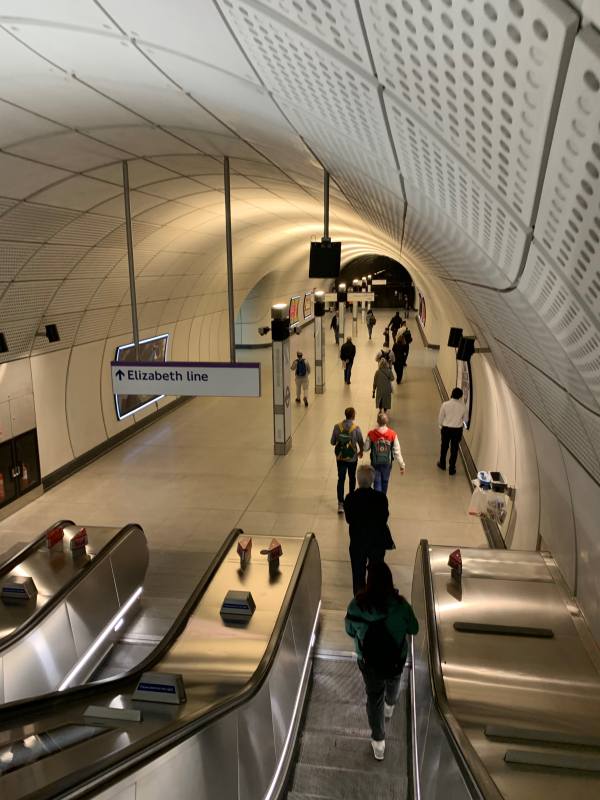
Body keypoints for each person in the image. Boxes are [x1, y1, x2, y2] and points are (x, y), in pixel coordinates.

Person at [345, 562, 419, 761]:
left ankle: (379, 742)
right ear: (389, 582)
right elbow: (414, 629)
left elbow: (350, 630)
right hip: (396, 660)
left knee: (374, 696)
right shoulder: (402, 607)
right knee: (394, 681)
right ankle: (391, 706)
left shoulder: (356, 606)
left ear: (368, 583)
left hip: (369, 663)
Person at [343, 465, 393, 593]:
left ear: (358, 480)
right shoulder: (381, 498)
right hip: (377, 542)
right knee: (376, 572)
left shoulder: (350, 498)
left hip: (357, 542)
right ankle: (374, 597)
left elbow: (349, 519)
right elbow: (384, 518)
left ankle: (359, 600)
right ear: (372, 480)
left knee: (358, 574)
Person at [331, 407, 364, 514]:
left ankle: (340, 504)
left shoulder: (337, 427)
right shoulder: (356, 428)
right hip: (352, 458)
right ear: (353, 416)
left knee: (341, 478)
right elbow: (361, 442)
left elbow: (332, 442)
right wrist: (361, 451)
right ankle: (351, 501)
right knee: (352, 478)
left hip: (340, 458)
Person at [364, 412, 405, 494]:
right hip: (387, 463)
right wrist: (402, 465)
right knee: (385, 481)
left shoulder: (371, 434)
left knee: (376, 482)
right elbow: (397, 451)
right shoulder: (392, 434)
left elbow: (366, 448)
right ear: (386, 421)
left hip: (375, 462)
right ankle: (383, 500)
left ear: (377, 421)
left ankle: (377, 501)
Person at [437, 387, 468, 475]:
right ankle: (452, 468)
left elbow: (441, 417)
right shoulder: (463, 407)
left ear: (452, 394)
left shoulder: (445, 404)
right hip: (457, 430)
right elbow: (465, 419)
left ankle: (442, 464)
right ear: (460, 396)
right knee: (454, 449)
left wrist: (440, 426)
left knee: (444, 447)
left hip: (446, 429)